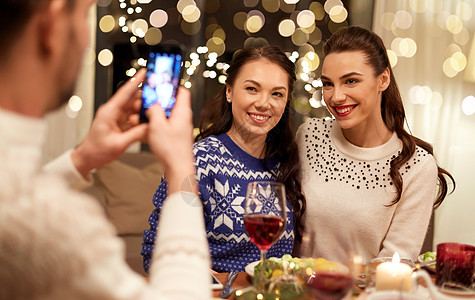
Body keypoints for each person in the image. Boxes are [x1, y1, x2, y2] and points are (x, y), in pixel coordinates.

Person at [0, 0, 211, 299]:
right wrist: (180, 170)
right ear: (52, 22)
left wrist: (81, 159)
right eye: (85, 16)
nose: (87, 40)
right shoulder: (52, 224)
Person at [297, 26, 455, 263]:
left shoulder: (418, 165)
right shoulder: (308, 135)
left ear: (383, 79)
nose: (336, 96)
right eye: (328, 84)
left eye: (350, 81)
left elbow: (394, 263)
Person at [142, 45, 306, 273]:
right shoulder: (199, 160)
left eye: (277, 93)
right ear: (229, 91)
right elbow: (156, 252)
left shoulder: (286, 164)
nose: (263, 103)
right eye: (252, 89)